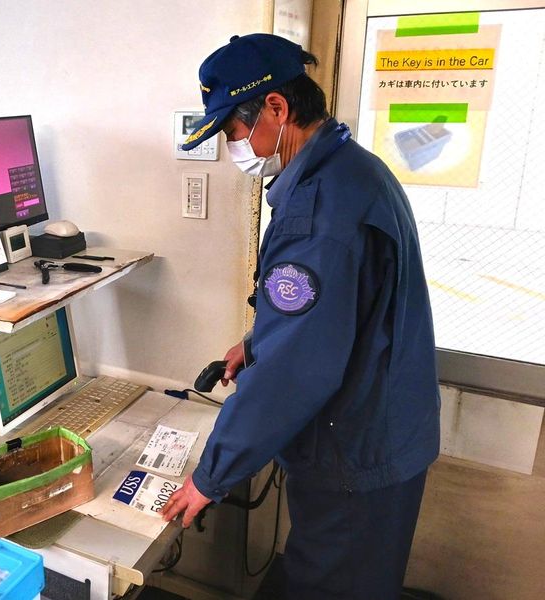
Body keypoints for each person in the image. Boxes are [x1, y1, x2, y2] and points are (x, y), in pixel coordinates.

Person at [161, 33, 441, 599]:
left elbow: (295, 372)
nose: (235, 147)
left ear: (276, 108)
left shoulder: (317, 213)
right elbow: (340, 308)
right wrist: (254, 342)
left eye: (233, 131)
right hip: (383, 428)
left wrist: (211, 476)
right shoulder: (352, 171)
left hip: (356, 453)